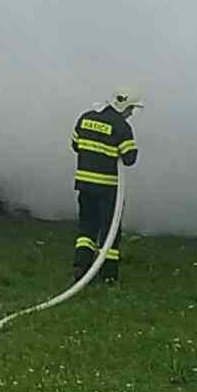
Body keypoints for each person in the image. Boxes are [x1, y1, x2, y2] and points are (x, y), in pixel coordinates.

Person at [71, 88, 142, 285]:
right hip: (108, 189)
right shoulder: (122, 127)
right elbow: (129, 158)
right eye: (131, 109)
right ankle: (108, 275)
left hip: (84, 185)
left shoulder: (85, 118)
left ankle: (81, 267)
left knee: (87, 227)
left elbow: (75, 145)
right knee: (110, 230)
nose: (131, 114)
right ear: (122, 106)